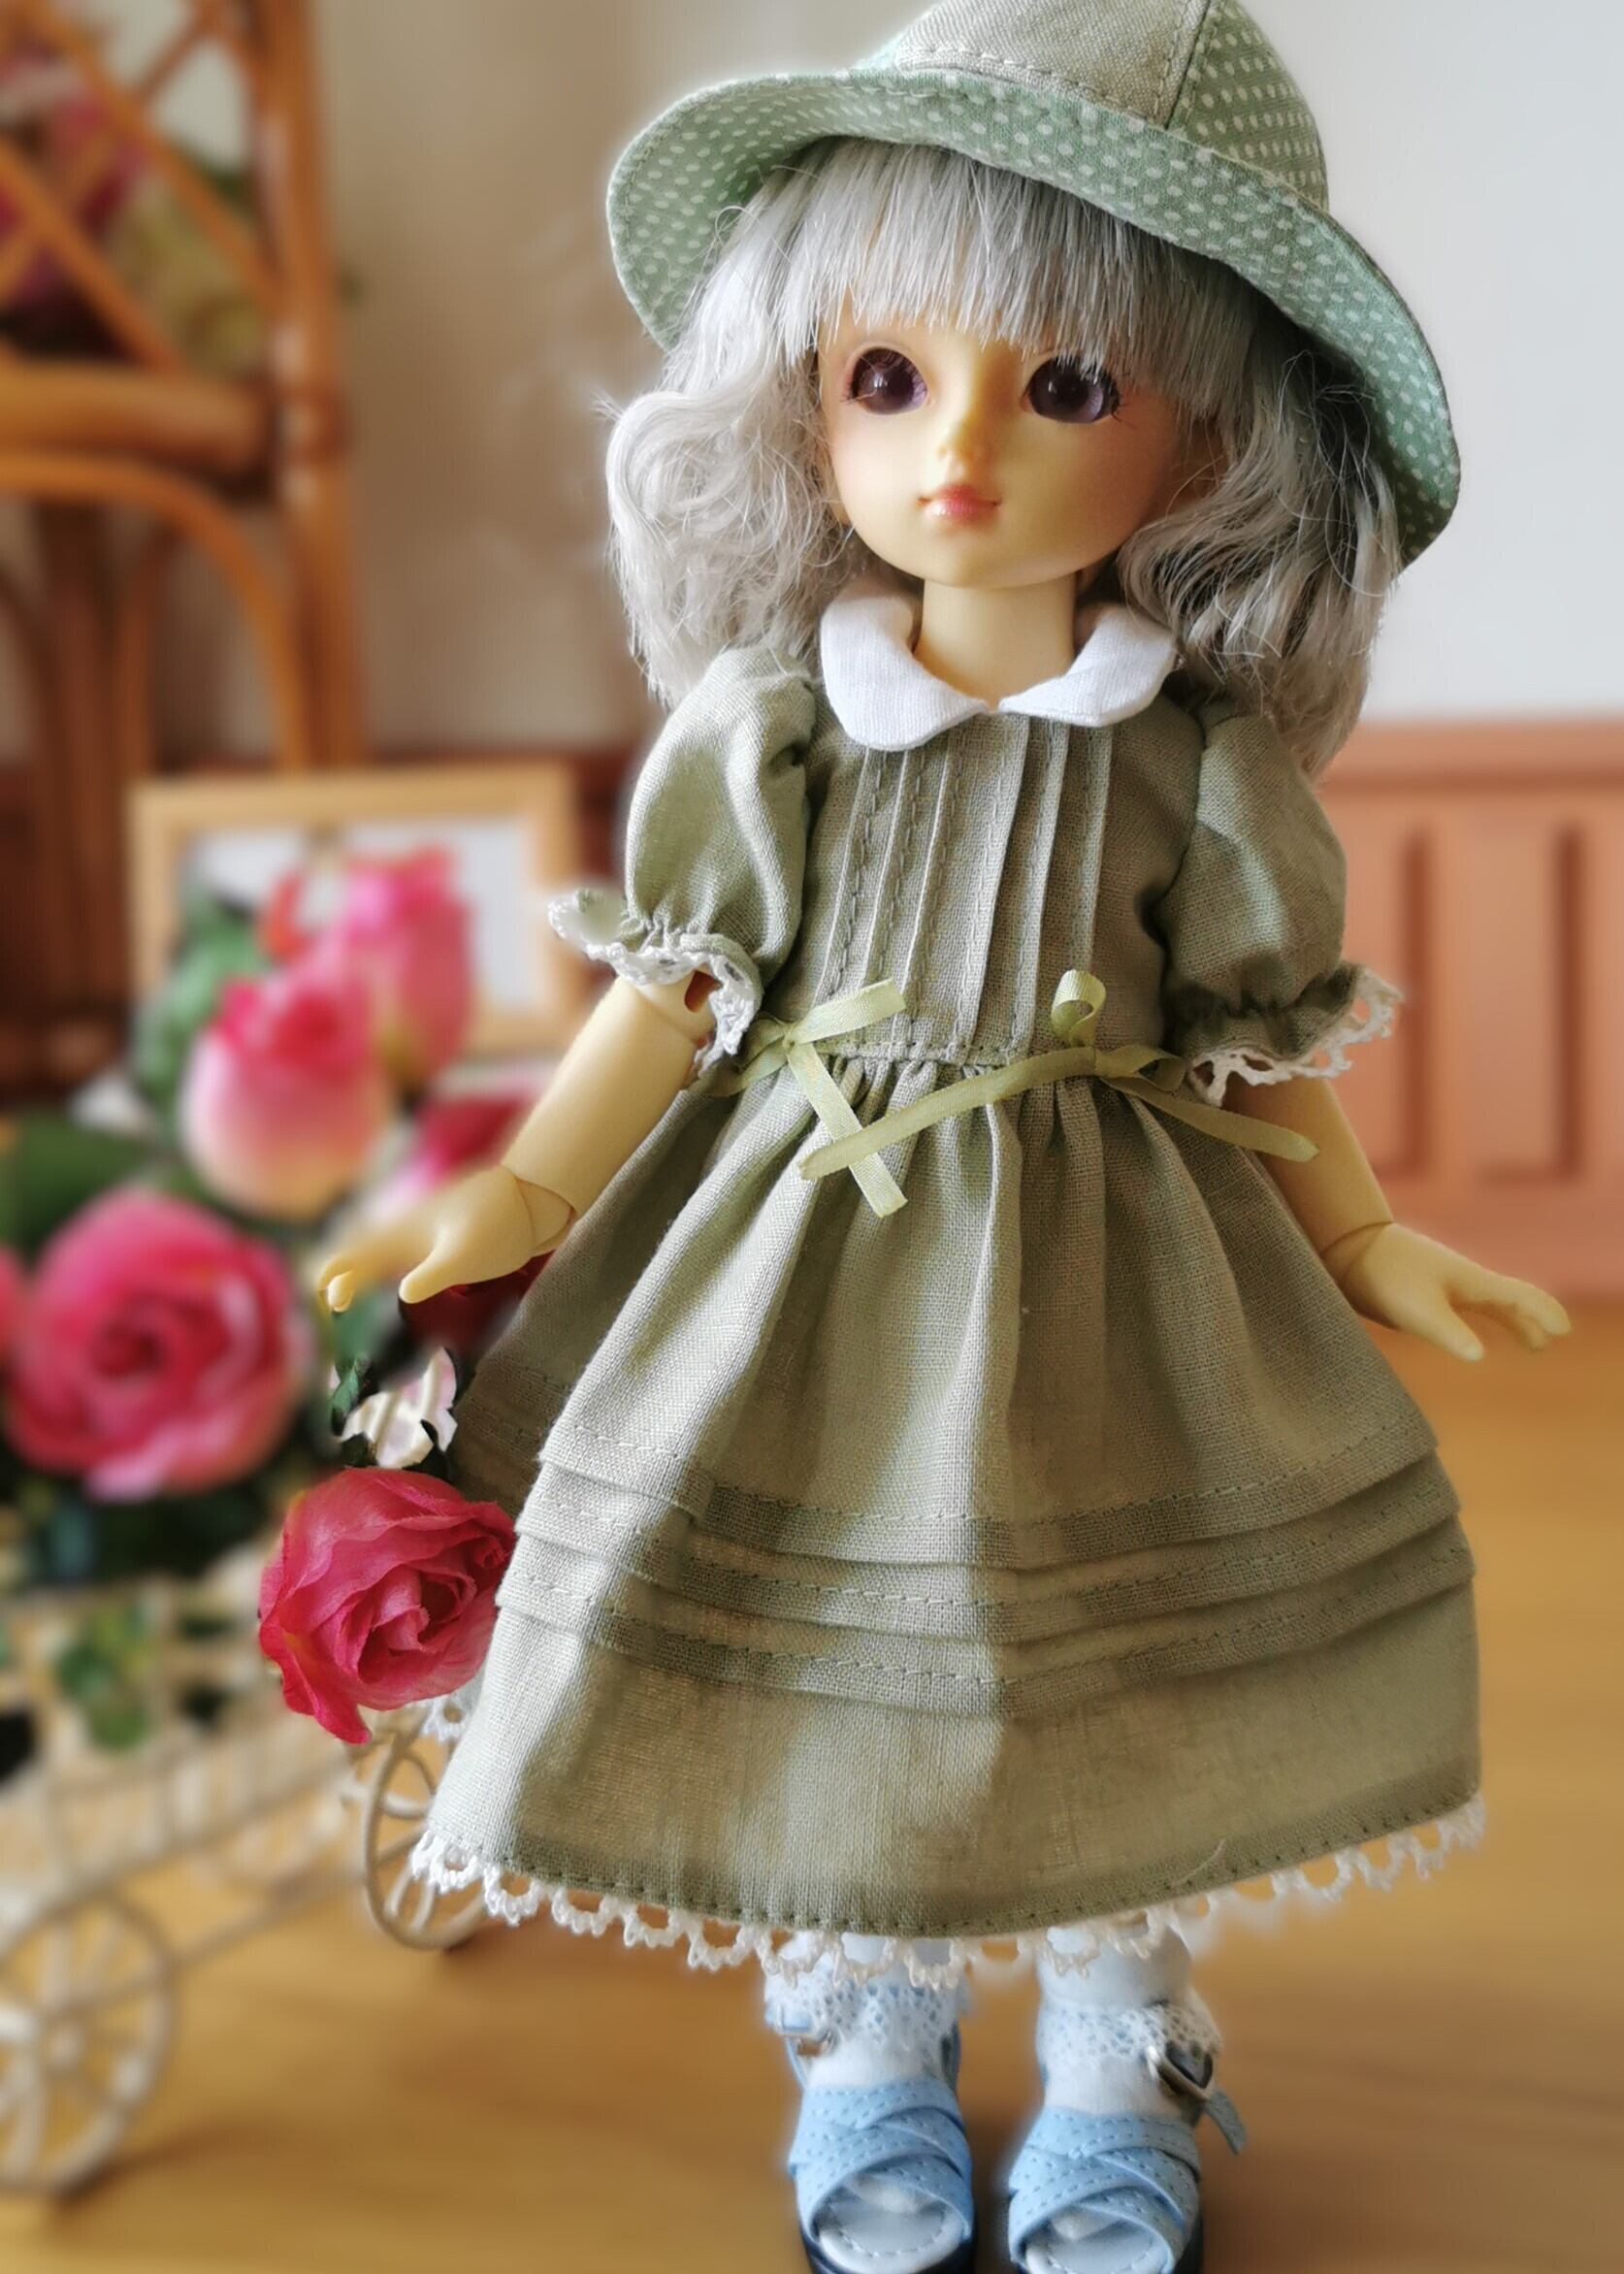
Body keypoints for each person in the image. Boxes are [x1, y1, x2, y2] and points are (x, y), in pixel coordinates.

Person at [317, 7, 1570, 2269]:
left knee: (1111, 1672)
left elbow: (1249, 1042)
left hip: (1115, 1278)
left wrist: (1368, 1237)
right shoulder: (778, 726)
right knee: (834, 1669)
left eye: (1066, 383)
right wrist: (514, 1193)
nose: (961, 450)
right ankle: (865, 2036)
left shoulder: (1190, 761)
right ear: (802, 401)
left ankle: (1120, 2047)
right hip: (809, 1259)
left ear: (1212, 440)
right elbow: (671, 993)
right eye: (887, 378)